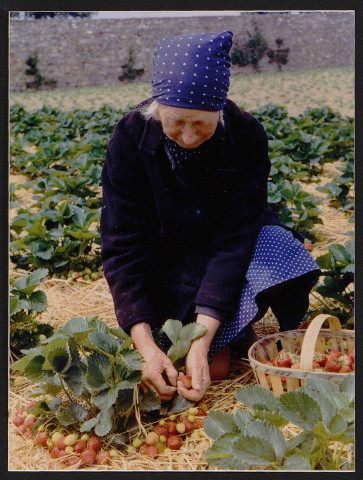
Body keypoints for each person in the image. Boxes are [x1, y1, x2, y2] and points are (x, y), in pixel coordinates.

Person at [100, 31, 320, 403]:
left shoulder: (246, 135)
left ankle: (230, 326)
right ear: (157, 108)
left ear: (220, 110)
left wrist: (199, 345)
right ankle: (220, 332)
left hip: (222, 257)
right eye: (176, 122)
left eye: (201, 124)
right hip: (165, 264)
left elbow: (234, 242)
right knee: (190, 366)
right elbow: (122, 248)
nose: (187, 136)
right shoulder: (130, 138)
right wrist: (147, 348)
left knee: (278, 246)